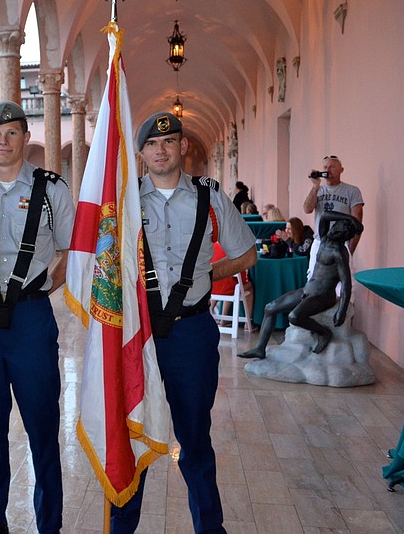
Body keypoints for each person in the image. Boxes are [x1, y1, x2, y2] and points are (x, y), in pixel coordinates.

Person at [112, 112, 256, 534]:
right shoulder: (125, 203)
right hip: (138, 336)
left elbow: (246, 254)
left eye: (169, 142)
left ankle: (210, 528)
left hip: (192, 335)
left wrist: (207, 274)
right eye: (152, 145)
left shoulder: (210, 198)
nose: (161, 150)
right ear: (141, 153)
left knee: (195, 438)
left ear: (183, 147)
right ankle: (122, 527)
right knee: (133, 437)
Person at [0, 101, 74, 534]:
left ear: (26, 137)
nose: (3, 141)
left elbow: (71, 251)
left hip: (32, 322)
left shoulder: (52, 189)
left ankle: (49, 524)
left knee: (43, 431)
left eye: (12, 133)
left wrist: (44, 289)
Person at [238, 211, 363, 359]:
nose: (332, 230)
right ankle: (260, 348)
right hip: (308, 290)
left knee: (294, 316)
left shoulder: (339, 252)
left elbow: (346, 283)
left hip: (323, 296)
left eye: (337, 231)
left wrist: (342, 310)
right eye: (334, 227)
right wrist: (348, 217)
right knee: (270, 308)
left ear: (342, 236)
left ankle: (323, 332)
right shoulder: (324, 240)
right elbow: (324, 216)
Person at [303, 154, 364, 276]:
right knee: (314, 280)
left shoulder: (352, 191)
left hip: (341, 242)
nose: (327, 170)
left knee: (341, 282)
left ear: (341, 170)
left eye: (332, 167)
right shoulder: (318, 190)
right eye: (325, 167)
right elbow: (307, 209)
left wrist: (350, 249)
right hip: (320, 242)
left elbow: (356, 221)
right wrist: (315, 186)